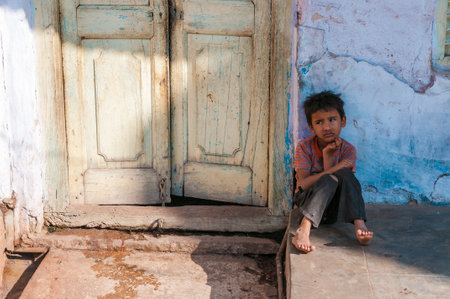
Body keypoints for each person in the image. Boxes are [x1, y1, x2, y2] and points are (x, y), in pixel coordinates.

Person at [292, 91, 373, 253]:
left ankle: (359, 223)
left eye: (332, 120)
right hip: (307, 202)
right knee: (331, 177)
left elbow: (340, 182)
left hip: (335, 210)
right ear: (311, 127)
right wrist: (336, 166)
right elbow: (303, 184)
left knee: (346, 175)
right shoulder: (304, 147)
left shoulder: (348, 149)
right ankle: (304, 228)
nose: (327, 127)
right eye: (319, 122)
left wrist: (328, 157)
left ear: (343, 121)